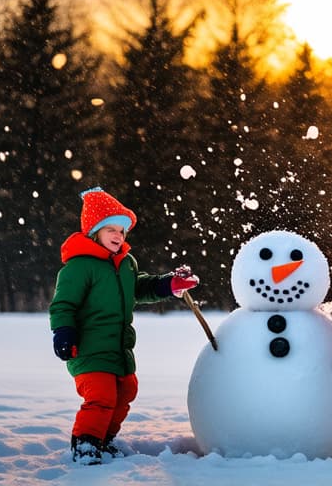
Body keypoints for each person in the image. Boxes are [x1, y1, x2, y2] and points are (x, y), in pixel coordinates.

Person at [49, 187, 199, 465]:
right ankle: (85, 445)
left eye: (122, 231)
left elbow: (139, 288)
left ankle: (103, 440)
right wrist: (63, 332)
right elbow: (63, 305)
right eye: (111, 230)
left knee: (126, 391)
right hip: (88, 346)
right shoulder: (78, 267)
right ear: (95, 232)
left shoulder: (126, 263)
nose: (118, 236)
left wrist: (170, 284)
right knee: (101, 396)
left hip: (119, 348)